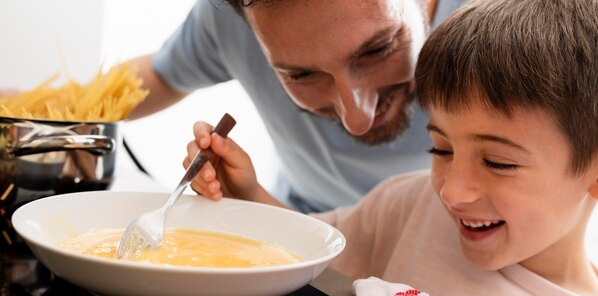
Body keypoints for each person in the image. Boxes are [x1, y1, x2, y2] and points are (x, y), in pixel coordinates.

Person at [184, 0, 598, 296]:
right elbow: (308, 247)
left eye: (497, 162)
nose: (452, 192)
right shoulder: (408, 206)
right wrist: (248, 192)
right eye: (442, 150)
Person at [127, 0, 466, 213]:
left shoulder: (507, 28)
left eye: (378, 49)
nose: (357, 119)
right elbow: (157, 77)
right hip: (302, 233)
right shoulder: (229, 18)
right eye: (301, 75)